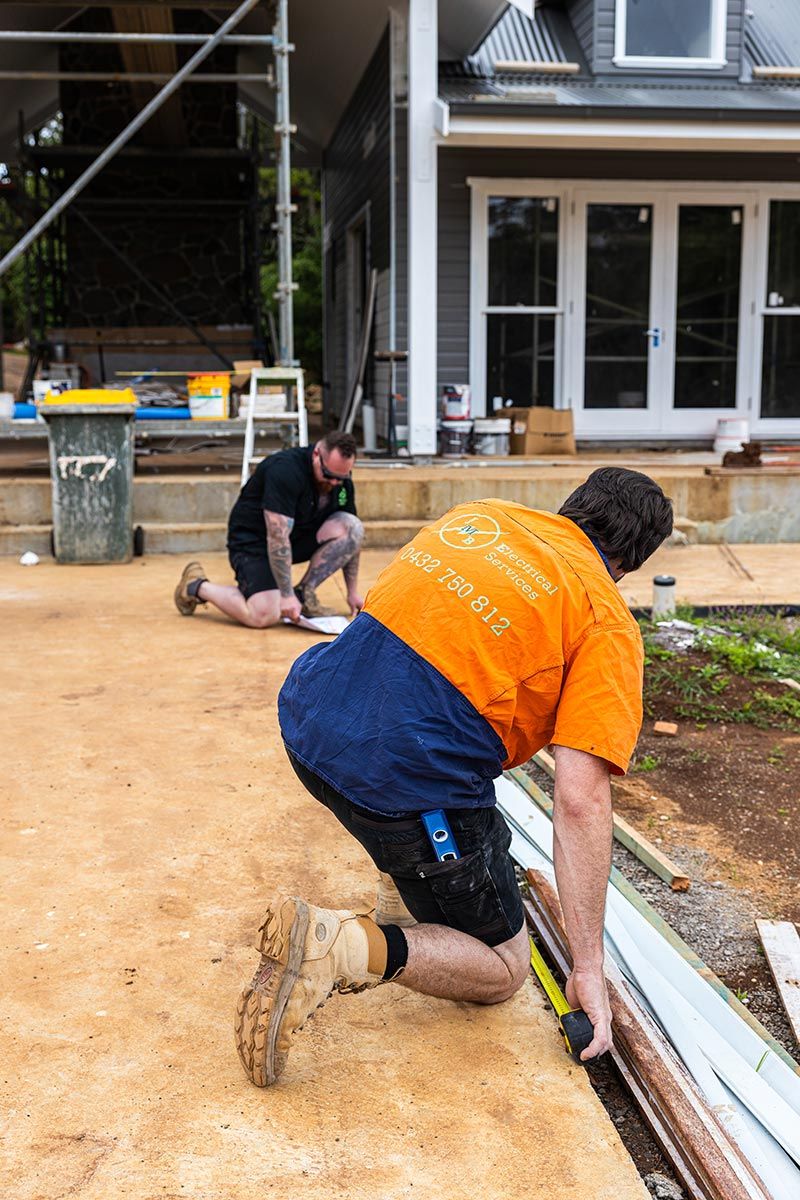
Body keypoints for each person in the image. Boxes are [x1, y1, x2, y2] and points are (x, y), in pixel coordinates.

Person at [234, 467, 673, 1088]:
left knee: (429, 795)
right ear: (627, 565)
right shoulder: (605, 621)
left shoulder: (482, 517)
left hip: (308, 721)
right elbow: (579, 799)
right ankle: (333, 946)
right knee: (503, 968)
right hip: (395, 779)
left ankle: (404, 899)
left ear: (569, 508)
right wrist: (588, 967)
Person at [173, 431, 364, 628]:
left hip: (296, 538)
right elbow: (277, 537)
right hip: (254, 543)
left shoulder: (341, 481)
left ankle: (304, 594)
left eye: (341, 478)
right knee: (264, 614)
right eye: (328, 475)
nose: (334, 483)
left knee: (352, 526)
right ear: (316, 454)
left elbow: (353, 538)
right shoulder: (285, 470)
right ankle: (196, 586)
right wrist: (286, 595)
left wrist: (352, 592)